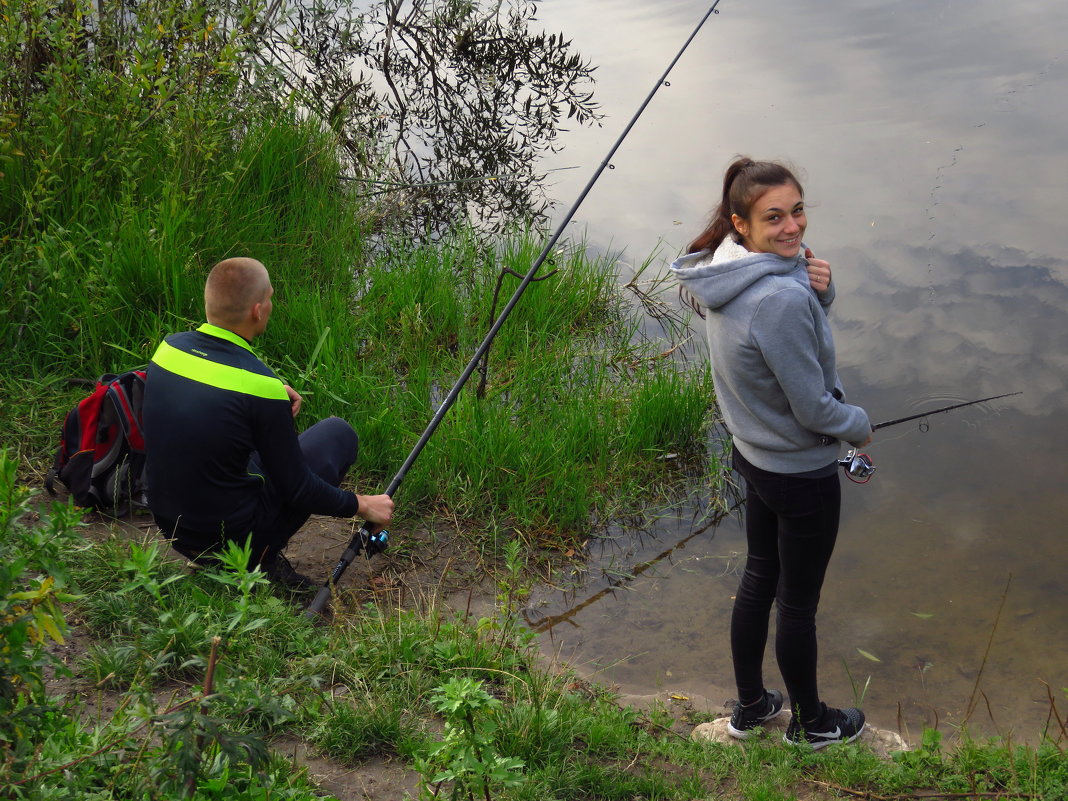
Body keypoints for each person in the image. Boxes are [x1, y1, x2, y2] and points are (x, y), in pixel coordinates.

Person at [671, 157, 873, 749]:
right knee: (798, 606)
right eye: (775, 217)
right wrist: (858, 426)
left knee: (759, 577)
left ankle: (753, 706)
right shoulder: (777, 299)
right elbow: (813, 407)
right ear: (742, 221)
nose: (793, 228)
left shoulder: (727, 271)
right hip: (799, 473)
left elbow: (783, 336)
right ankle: (812, 725)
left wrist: (822, 291)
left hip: (753, 457)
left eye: (798, 210)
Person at [143, 257, 394, 590]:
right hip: (229, 543)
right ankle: (260, 560)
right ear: (257, 311)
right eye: (271, 298)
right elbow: (299, 488)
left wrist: (271, 398)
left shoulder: (168, 350)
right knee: (337, 435)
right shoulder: (260, 387)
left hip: (169, 523)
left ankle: (218, 555)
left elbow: (204, 414)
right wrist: (362, 505)